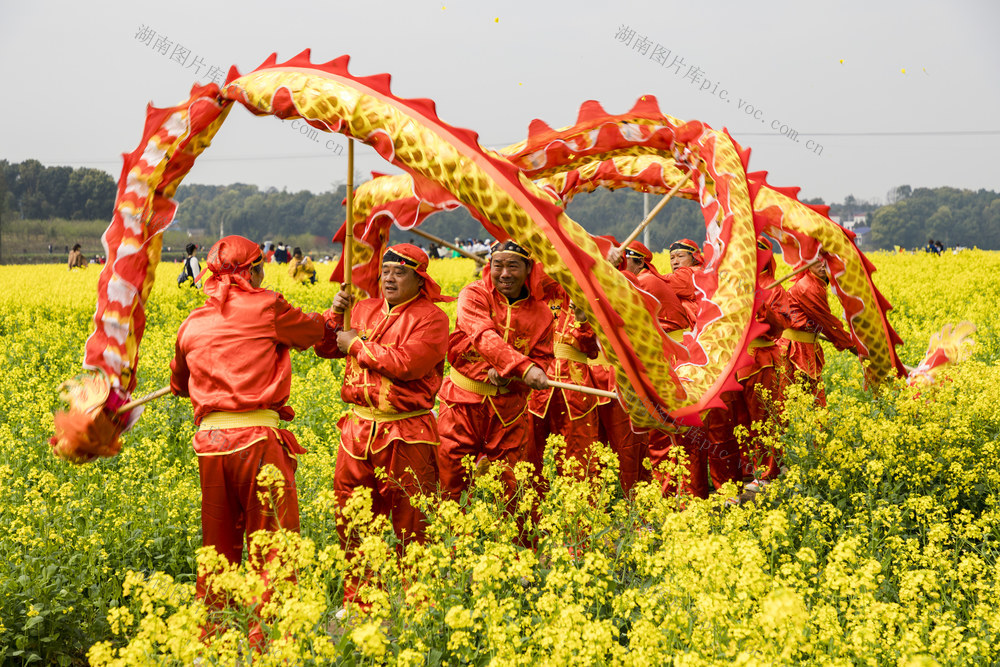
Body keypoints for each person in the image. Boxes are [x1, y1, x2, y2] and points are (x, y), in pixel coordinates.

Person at [169, 235, 337, 646]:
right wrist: (334, 314)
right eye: (260, 268)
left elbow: (178, 385)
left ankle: (216, 641)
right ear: (253, 272)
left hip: (210, 445)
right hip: (258, 441)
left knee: (218, 548)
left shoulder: (191, 322)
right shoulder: (267, 305)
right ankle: (272, 642)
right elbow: (313, 332)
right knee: (273, 548)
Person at [317, 244, 451, 607]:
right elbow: (328, 347)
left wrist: (357, 344)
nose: (389, 278)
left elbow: (408, 363)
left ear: (419, 279)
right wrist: (335, 315)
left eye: (399, 272)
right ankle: (359, 600)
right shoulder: (364, 308)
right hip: (357, 431)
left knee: (412, 520)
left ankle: (419, 604)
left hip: (406, 431)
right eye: (385, 271)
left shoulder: (432, 318)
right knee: (353, 518)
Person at [436, 240, 554, 502]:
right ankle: (451, 541)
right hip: (461, 404)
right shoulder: (474, 294)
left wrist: (516, 377)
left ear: (528, 269)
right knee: (451, 480)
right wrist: (519, 367)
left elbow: (543, 360)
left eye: (513, 266)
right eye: (497, 265)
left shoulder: (543, 313)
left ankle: (518, 542)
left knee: (515, 487)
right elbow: (480, 334)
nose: (504, 274)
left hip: (509, 411)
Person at [527, 286, 603, 479]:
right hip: (535, 384)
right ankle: (530, 508)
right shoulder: (532, 292)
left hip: (576, 387)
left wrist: (583, 319)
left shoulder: (588, 291)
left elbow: (593, 349)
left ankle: (579, 507)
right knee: (528, 458)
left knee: (580, 458)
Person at [778, 255, 856, 406]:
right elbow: (827, 324)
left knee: (809, 400)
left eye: (825, 261)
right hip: (794, 350)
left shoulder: (818, 283)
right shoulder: (808, 287)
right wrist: (852, 346)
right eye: (816, 261)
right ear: (806, 263)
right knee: (790, 401)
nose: (822, 265)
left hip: (806, 347)